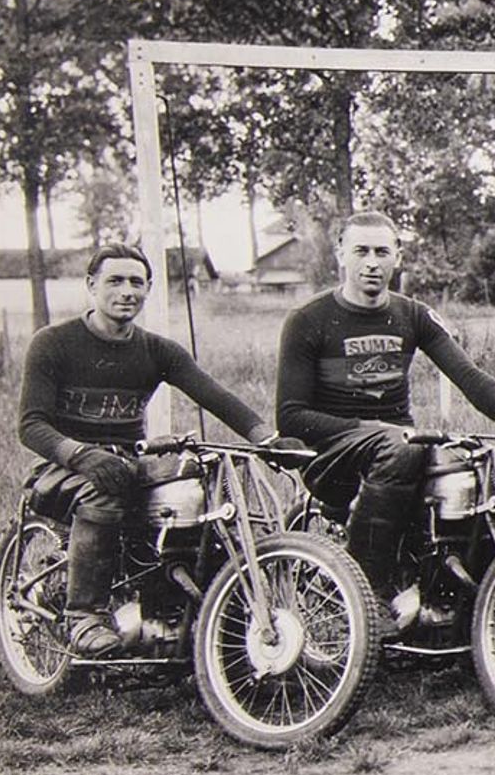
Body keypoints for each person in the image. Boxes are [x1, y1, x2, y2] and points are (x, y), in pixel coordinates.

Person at [20, 243, 291, 655]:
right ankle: (84, 616)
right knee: (106, 487)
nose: (127, 290)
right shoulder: (53, 342)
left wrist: (264, 438)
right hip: (66, 466)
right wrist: (80, 454)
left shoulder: (156, 350)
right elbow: (31, 425)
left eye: (136, 282)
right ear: (91, 285)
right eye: (115, 280)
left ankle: (200, 611)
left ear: (147, 289)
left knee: (199, 485)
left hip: (127, 462)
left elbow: (213, 394)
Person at [276, 211, 495, 615]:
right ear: (340, 255)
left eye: (382, 251)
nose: (372, 262)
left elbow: (467, 374)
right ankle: (367, 595)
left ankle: (457, 606)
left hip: (400, 449)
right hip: (332, 456)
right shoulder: (307, 320)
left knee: (470, 466)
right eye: (361, 251)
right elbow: (292, 417)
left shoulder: (412, 315)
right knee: (403, 446)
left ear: (398, 256)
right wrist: (369, 427)